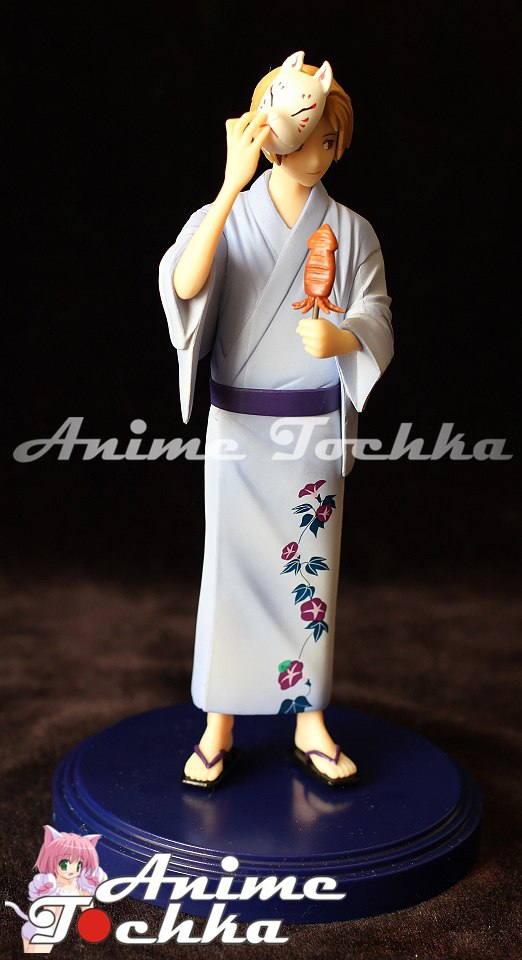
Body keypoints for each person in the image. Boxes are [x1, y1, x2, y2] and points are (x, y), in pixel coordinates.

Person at [159, 53, 393, 788]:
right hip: (238, 431)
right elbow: (183, 285)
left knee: (309, 579)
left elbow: (378, 314)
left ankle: (308, 719)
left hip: (311, 438)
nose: (317, 152)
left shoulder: (351, 231)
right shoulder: (228, 216)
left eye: (330, 140)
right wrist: (229, 186)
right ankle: (219, 724)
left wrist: (344, 337)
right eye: (309, 135)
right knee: (229, 575)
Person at [5, 825, 106, 953]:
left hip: (49, 930)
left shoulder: (81, 887)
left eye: (78, 864)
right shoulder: (50, 884)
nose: (72, 870)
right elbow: (48, 910)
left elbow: (89, 913)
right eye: (65, 864)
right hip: (44, 930)